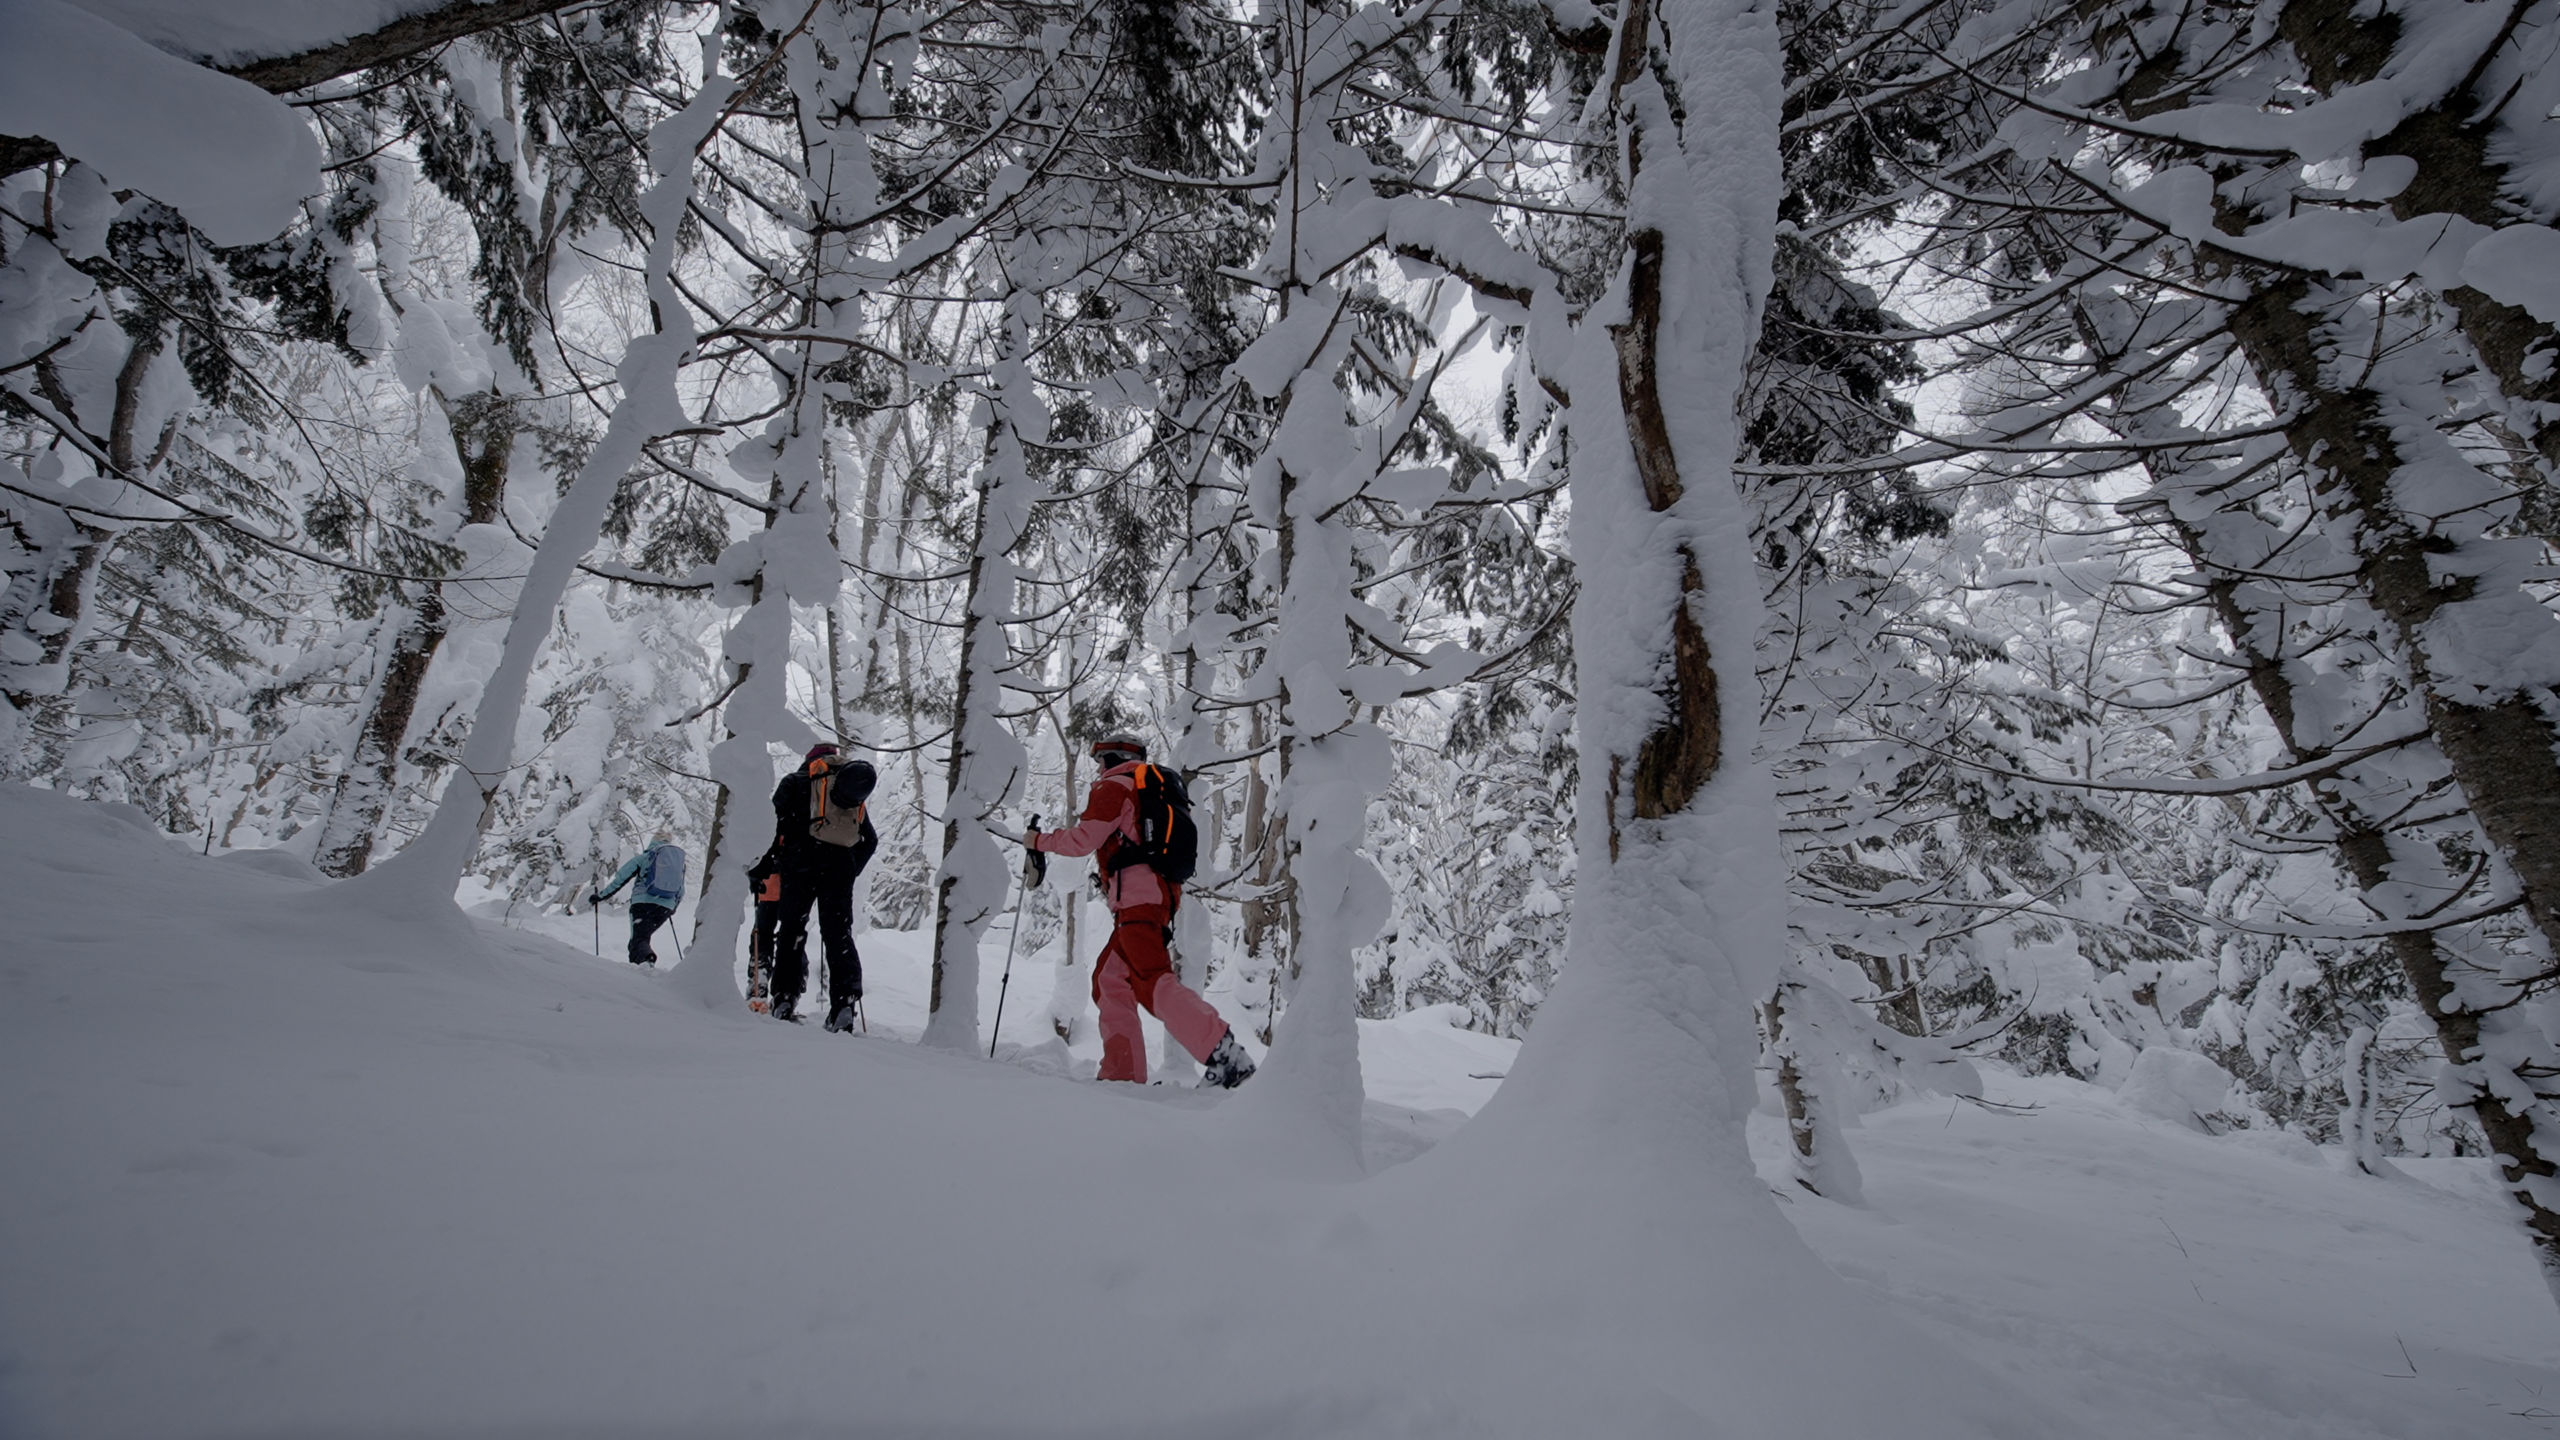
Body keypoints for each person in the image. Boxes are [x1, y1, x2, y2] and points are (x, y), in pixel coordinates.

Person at [1026, 735, 1254, 1087]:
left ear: (1113, 758)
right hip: (1153, 898)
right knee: (1109, 980)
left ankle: (1224, 1054)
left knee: (1151, 979)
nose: (1098, 768)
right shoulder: (1148, 791)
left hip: (1139, 902)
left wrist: (1038, 841)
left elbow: (1083, 839)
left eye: (1100, 760)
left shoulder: (1115, 786)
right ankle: (1123, 1075)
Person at [770, 743, 878, 1029]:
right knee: (838, 935)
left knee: (792, 930)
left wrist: (770, 864)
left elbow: (772, 826)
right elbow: (870, 840)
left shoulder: (795, 782)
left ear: (810, 761)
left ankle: (784, 997)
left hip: (798, 867)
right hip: (838, 869)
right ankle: (844, 1004)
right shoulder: (846, 789)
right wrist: (851, 869)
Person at [595, 827, 685, 968]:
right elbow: (681, 890)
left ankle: (645, 963)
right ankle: (644, 964)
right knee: (642, 938)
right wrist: (672, 908)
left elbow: (621, 878)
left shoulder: (645, 858)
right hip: (665, 908)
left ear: (653, 841)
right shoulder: (677, 865)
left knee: (638, 940)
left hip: (642, 904)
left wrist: (601, 896)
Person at [745, 839, 784, 1013]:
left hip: (769, 884)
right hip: (795, 885)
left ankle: (758, 984)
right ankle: (787, 992)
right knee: (791, 937)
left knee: (762, 935)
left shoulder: (772, 826)